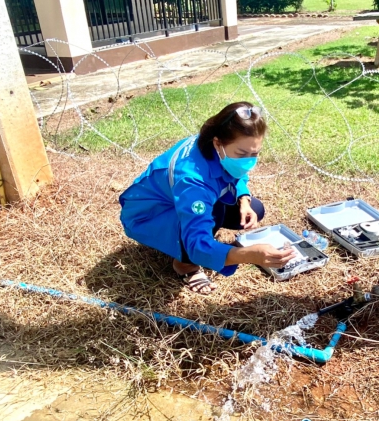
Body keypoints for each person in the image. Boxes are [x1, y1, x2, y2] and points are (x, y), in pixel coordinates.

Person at [119, 102, 296, 295]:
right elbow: (197, 245)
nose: (248, 161)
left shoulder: (214, 145)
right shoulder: (192, 181)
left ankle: (205, 239)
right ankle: (185, 265)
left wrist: (244, 199)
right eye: (242, 154)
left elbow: (236, 174)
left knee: (254, 208)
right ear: (218, 143)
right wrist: (250, 255)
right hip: (149, 216)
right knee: (213, 215)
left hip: (179, 200)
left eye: (255, 154)